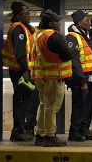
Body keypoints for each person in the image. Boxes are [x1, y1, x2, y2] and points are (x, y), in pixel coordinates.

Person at [30, 9, 74, 147]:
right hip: (53, 77)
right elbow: (67, 55)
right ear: (51, 23)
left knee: (43, 104)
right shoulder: (54, 36)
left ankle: (40, 134)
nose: (58, 24)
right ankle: (50, 135)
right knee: (52, 106)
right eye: (56, 21)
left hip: (39, 76)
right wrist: (74, 52)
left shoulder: (35, 35)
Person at [1, 2, 38, 141]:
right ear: (19, 15)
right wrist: (26, 71)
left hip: (23, 70)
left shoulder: (25, 28)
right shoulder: (18, 29)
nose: (28, 15)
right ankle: (18, 131)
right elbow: (20, 53)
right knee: (22, 100)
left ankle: (25, 129)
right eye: (26, 13)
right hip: (20, 72)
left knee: (28, 99)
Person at [65, 9, 92, 142]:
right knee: (79, 105)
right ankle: (74, 132)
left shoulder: (86, 35)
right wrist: (82, 80)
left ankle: (83, 130)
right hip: (80, 78)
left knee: (87, 106)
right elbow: (75, 61)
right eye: (86, 20)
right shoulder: (72, 37)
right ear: (79, 23)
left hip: (89, 76)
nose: (89, 22)